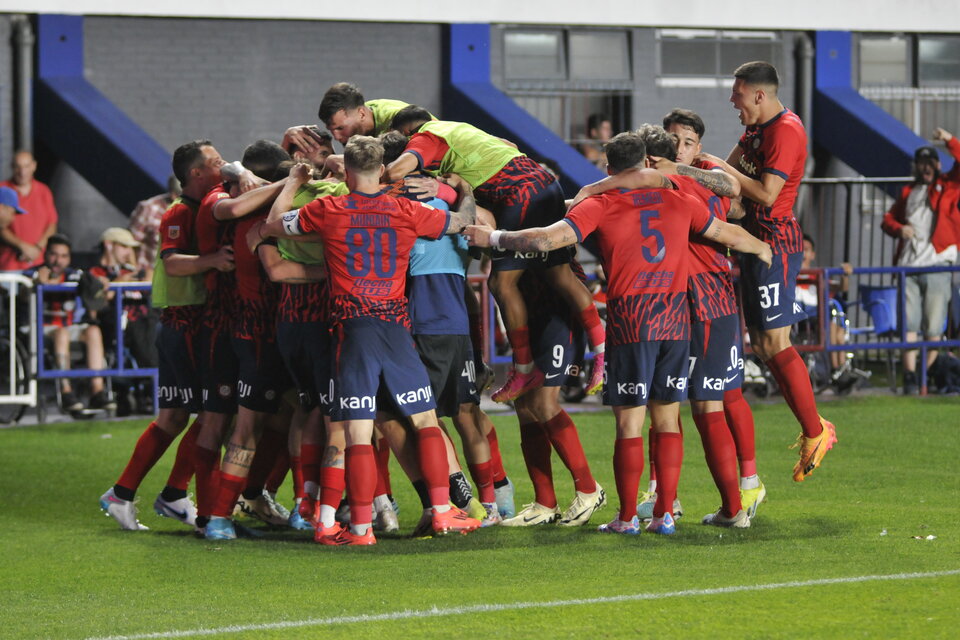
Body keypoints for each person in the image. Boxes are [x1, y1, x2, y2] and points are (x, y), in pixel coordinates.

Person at [465, 131, 772, 535]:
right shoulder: (681, 198)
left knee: (629, 424)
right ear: (645, 162)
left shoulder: (600, 203)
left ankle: (626, 518)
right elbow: (726, 232)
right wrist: (764, 249)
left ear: (608, 167)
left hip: (632, 320)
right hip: (676, 319)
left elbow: (547, 239)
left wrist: (496, 237)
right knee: (666, 419)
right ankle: (664, 514)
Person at [255, 136, 482, 545]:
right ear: (381, 169)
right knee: (425, 420)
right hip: (396, 326)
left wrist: (292, 184)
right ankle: (444, 513)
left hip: (352, 328)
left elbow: (272, 224)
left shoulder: (327, 209)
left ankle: (360, 527)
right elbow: (460, 223)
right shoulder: (406, 209)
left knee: (357, 431)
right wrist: (464, 193)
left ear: (348, 172)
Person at [388, 106, 607, 404]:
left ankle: (524, 367)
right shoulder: (459, 128)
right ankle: (601, 356)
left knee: (500, 284)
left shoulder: (425, 138)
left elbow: (394, 171)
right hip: (545, 185)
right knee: (560, 275)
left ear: (407, 134)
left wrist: (359, 173)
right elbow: (511, 147)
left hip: (521, 196)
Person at [698, 61, 838, 482]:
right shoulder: (757, 129)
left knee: (775, 341)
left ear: (759, 94)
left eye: (737, 94)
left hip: (774, 246)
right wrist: (702, 173)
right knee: (761, 343)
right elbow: (729, 171)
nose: (732, 101)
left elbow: (764, 191)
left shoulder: (786, 131)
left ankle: (816, 431)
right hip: (753, 239)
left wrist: (718, 169)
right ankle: (813, 429)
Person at [99, 140, 235, 531]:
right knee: (211, 415)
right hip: (183, 324)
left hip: (191, 324)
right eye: (215, 161)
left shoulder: (204, 206)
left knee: (180, 417)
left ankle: (140, 494)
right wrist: (214, 261)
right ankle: (181, 500)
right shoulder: (178, 212)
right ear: (196, 173)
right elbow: (173, 263)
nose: (223, 165)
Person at [881, 129, 960, 394]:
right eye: (921, 164)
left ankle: (927, 376)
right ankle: (911, 376)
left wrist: (949, 141)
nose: (925, 169)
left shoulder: (948, 186)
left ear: (937, 166)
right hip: (909, 266)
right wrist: (899, 229)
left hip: (938, 264)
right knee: (909, 325)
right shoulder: (908, 192)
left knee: (933, 325)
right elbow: (888, 220)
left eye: (930, 164)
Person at [26, 234, 112, 413]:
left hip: (68, 326)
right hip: (40, 329)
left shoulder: (75, 275)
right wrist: (36, 283)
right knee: (61, 333)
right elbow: (19, 296)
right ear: (46, 254)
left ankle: (97, 391)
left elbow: (96, 289)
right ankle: (66, 392)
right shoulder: (31, 273)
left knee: (93, 330)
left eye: (64, 256)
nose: (58, 261)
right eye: (54, 255)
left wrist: (101, 284)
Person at [88, 227, 156, 415]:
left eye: (131, 248)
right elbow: (99, 300)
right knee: (141, 330)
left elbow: (151, 278)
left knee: (157, 326)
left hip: (144, 321)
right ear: (109, 246)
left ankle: (155, 385)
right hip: (116, 325)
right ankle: (148, 386)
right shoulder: (95, 273)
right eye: (125, 247)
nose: (129, 252)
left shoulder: (134, 271)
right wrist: (119, 281)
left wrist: (133, 270)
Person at [0, 150, 58, 271]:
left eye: (26, 166)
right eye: (12, 212)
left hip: (37, 264)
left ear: (33, 166)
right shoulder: (3, 188)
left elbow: (52, 224)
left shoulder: (44, 191)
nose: (12, 218)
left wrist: (36, 249)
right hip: (8, 265)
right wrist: (22, 247)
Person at [128, 175, 181, 276]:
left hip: (181, 275)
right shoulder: (149, 208)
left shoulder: (197, 208)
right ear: (174, 195)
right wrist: (137, 272)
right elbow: (131, 244)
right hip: (150, 275)